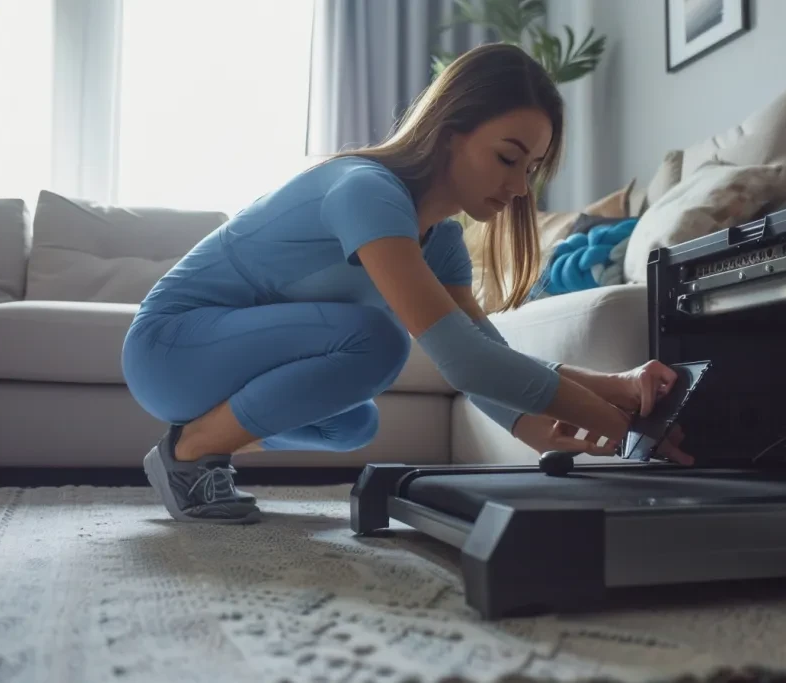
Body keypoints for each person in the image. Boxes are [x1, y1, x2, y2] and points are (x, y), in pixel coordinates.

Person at [121, 43, 691, 525]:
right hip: (170, 350)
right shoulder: (366, 190)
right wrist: (621, 430)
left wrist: (598, 392)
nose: (519, 187)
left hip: (214, 363)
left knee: (352, 421)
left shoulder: (440, 241)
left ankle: (201, 439)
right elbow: (463, 362)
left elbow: (483, 352)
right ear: (449, 134)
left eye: (530, 169)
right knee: (378, 341)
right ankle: (191, 452)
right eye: (507, 158)